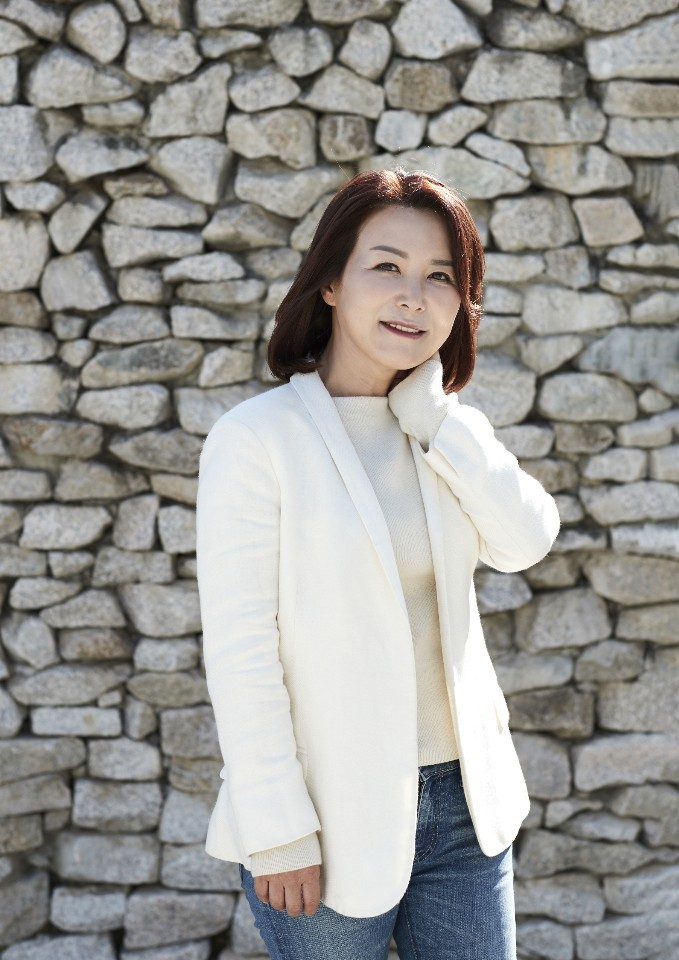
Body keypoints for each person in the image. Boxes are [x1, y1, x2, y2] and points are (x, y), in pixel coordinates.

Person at [195, 168, 561, 960]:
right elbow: (241, 649)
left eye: (439, 277)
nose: (412, 296)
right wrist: (278, 827)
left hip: (466, 812)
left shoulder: (441, 431)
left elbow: (524, 540)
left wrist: (433, 415)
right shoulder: (256, 440)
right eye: (386, 266)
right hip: (326, 814)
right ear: (330, 282)